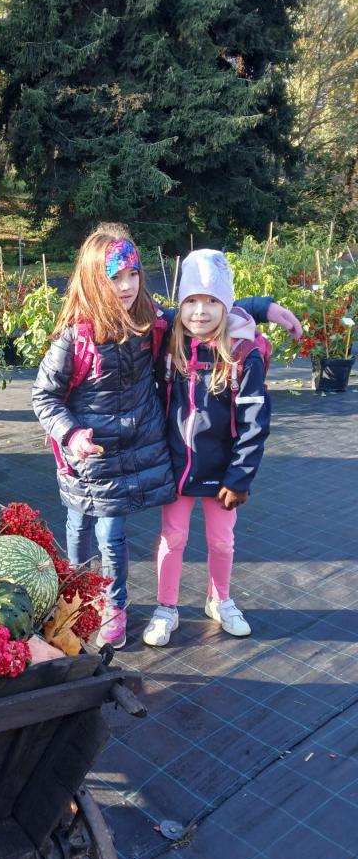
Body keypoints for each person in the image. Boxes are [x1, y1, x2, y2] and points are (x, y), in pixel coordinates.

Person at [32, 226, 300, 651]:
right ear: (93, 279)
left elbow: (201, 307)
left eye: (133, 274)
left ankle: (114, 608)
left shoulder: (149, 322)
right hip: (85, 456)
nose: (126, 286)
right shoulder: (76, 337)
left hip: (130, 453)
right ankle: (75, 597)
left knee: (111, 538)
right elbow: (44, 396)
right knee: (78, 527)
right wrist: (71, 433)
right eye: (114, 277)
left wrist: (263, 307)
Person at [143, 250, 274, 646]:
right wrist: (266, 306)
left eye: (212, 301)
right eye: (192, 301)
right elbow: (145, 309)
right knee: (173, 539)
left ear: (226, 306)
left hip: (223, 473)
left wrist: (240, 478)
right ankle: (166, 607)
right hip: (177, 468)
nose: (200, 311)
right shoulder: (170, 347)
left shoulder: (243, 356)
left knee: (221, 540)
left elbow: (254, 424)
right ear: (180, 305)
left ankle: (220, 599)